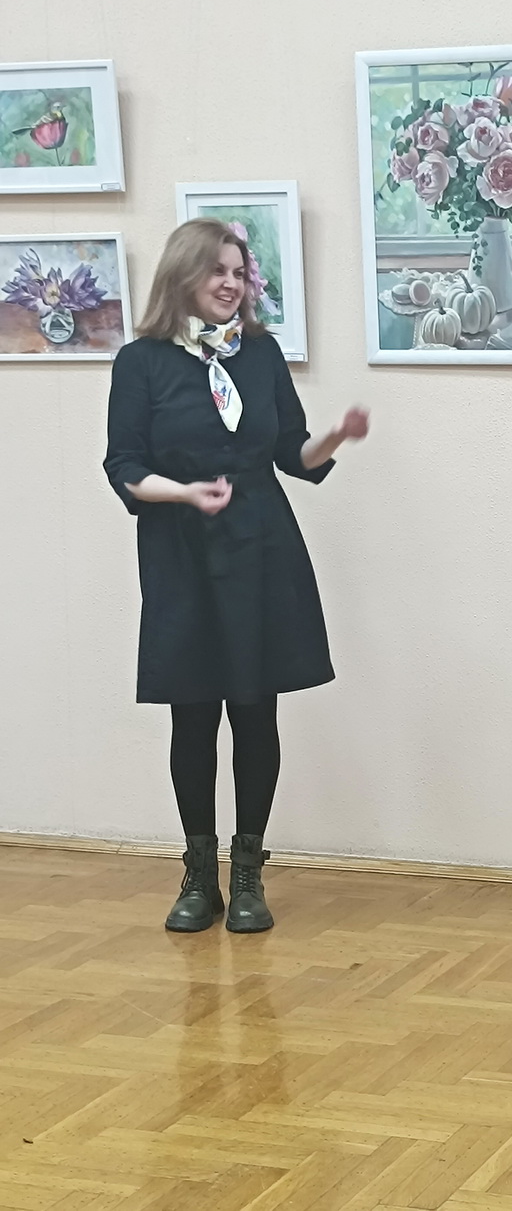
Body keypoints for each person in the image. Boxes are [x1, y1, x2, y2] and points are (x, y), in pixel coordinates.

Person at [104, 218, 369, 935]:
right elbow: (123, 465)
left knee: (255, 710)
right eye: (216, 270)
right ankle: (199, 875)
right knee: (192, 713)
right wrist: (184, 494)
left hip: (259, 547)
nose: (231, 283)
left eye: (238, 272)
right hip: (180, 551)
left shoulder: (260, 353)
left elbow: (292, 453)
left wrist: (337, 436)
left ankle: (248, 873)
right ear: (182, 276)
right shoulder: (141, 362)